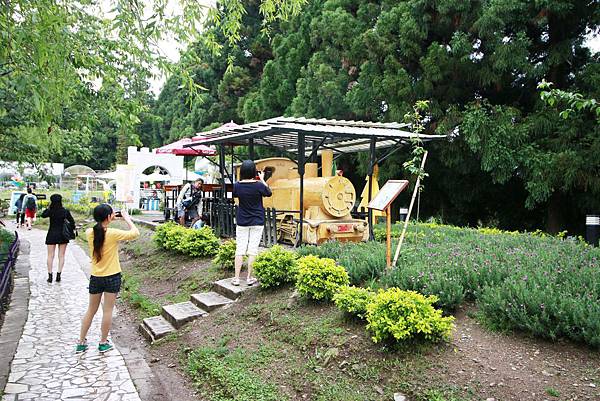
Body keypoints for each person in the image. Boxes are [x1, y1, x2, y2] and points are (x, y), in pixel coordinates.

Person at [76, 205, 139, 353]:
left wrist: (109, 217)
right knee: (108, 311)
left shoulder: (89, 232)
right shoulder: (113, 233)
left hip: (96, 277)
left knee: (91, 310)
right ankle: (103, 343)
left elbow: (99, 228)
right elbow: (135, 233)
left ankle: (81, 342)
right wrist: (127, 219)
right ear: (109, 217)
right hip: (112, 276)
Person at [232, 160, 272, 286]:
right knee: (253, 250)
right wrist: (262, 179)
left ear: (242, 171)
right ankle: (249, 278)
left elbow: (235, 195)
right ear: (254, 172)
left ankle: (237, 278)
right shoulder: (259, 185)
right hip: (257, 220)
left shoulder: (237, 185)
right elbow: (269, 192)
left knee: (240, 249)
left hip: (242, 220)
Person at [41, 194, 76, 283]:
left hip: (52, 234)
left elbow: (43, 215)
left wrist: (48, 207)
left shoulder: (50, 211)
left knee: (50, 256)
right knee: (61, 255)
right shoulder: (65, 211)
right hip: (63, 235)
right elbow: (72, 222)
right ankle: (59, 274)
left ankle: (50, 275)